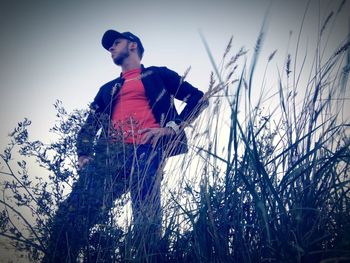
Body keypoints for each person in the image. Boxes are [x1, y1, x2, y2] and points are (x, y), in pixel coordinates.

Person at [43, 29, 207, 263]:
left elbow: (197, 98)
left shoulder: (158, 75)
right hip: (109, 155)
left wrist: (171, 127)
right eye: (109, 46)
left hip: (146, 152)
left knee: (146, 217)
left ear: (133, 45)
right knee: (74, 213)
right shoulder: (108, 88)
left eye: (115, 42)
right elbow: (91, 124)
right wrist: (83, 154)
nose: (110, 48)